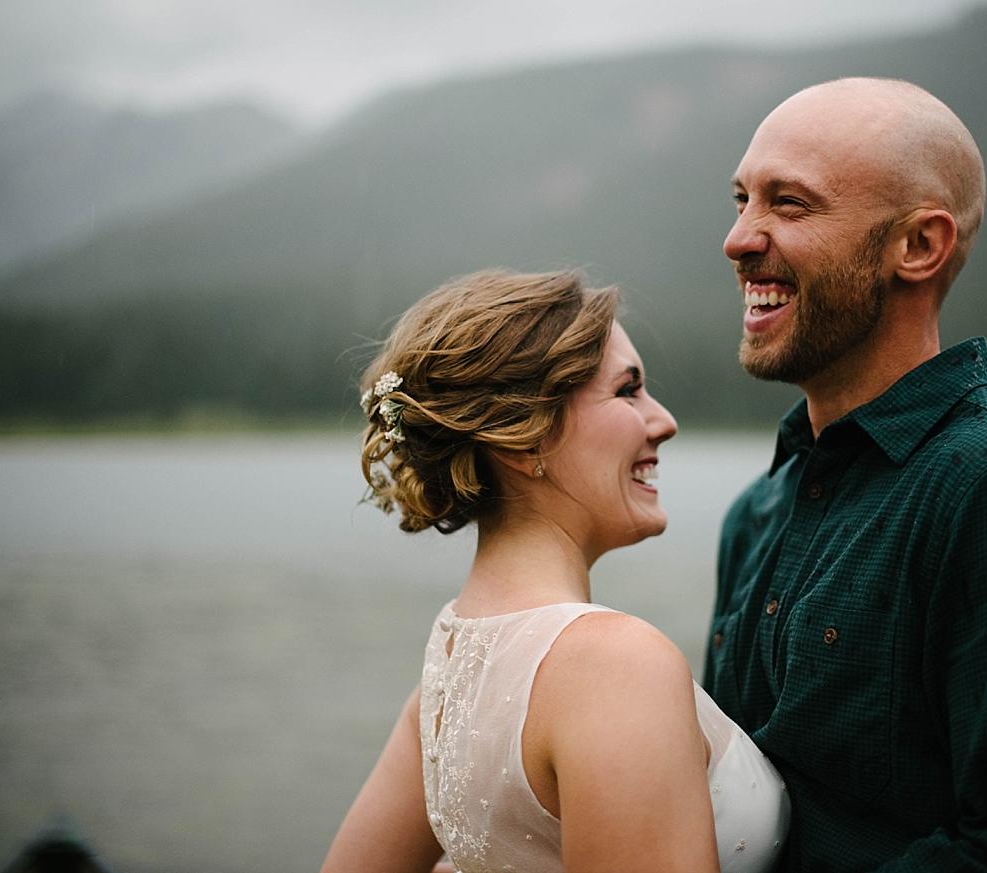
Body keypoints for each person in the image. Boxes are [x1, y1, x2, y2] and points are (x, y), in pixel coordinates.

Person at [703, 78, 987, 870]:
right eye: (741, 200)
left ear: (919, 246)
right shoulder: (756, 510)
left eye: (789, 204)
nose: (740, 238)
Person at [322, 269, 788, 873]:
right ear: (523, 437)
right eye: (628, 391)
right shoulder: (617, 669)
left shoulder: (445, 681)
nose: (664, 420)